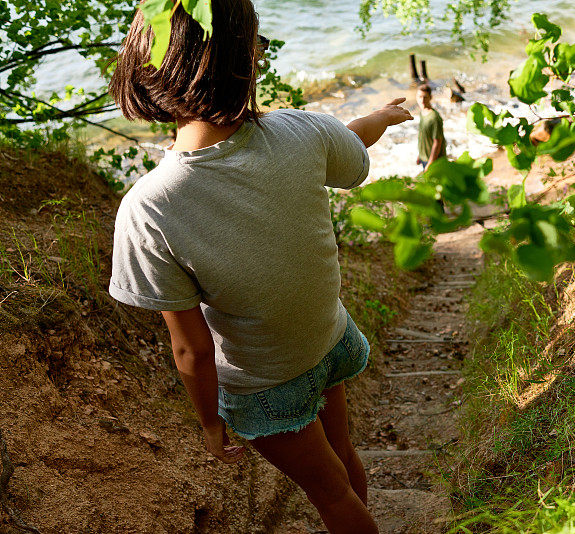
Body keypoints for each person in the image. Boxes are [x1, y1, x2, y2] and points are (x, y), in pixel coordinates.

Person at [106, 1, 412, 532]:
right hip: (328, 338)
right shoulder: (301, 132)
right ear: (249, 59)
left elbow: (191, 347)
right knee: (341, 454)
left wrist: (208, 422)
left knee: (330, 494)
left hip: (265, 381)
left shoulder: (150, 207)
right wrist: (380, 118)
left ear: (143, 63)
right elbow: (349, 140)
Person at [416, 83, 447, 170]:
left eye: (425, 97)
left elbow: (437, 142)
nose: (422, 100)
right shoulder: (422, 112)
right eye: (419, 97)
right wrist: (420, 155)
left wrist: (430, 164)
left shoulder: (434, 118)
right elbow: (424, 135)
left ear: (430, 97)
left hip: (434, 161)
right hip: (424, 157)